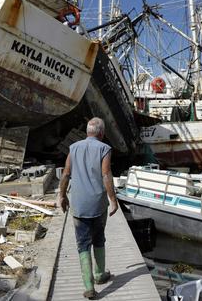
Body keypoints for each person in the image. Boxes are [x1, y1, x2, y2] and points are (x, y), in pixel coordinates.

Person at [58, 117, 119, 299]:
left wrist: (62, 195)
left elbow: (66, 173)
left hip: (78, 204)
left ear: (87, 132)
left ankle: (89, 286)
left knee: (82, 243)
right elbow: (106, 174)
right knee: (99, 237)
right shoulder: (104, 148)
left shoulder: (74, 148)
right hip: (98, 204)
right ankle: (100, 274)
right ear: (101, 133)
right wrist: (113, 199)